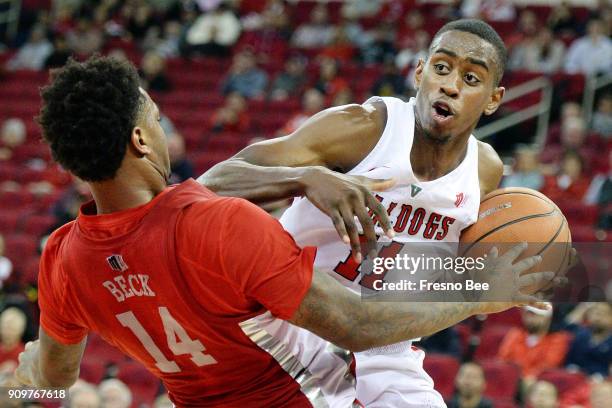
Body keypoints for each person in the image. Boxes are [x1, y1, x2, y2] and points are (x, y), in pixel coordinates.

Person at [14, 56, 551, 407]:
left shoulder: (62, 260)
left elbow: (51, 383)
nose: (164, 127)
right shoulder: (219, 225)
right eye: (156, 117)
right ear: (140, 140)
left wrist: (18, 388)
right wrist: (480, 290)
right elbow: (354, 323)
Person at [201, 19, 567, 408]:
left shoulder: (484, 171)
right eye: (441, 68)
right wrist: (305, 180)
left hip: (381, 343)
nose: (451, 85)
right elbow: (211, 184)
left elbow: (446, 272)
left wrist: (511, 277)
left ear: (493, 99)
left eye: (472, 78)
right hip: (290, 318)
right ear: (420, 72)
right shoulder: (364, 128)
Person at [498, 306, 571, 383]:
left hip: (539, 381)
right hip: (512, 377)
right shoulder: (515, 334)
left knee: (530, 382)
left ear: (547, 318)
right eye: (527, 314)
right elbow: (503, 359)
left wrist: (524, 377)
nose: (529, 319)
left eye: (534, 315)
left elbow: (547, 367)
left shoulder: (557, 339)